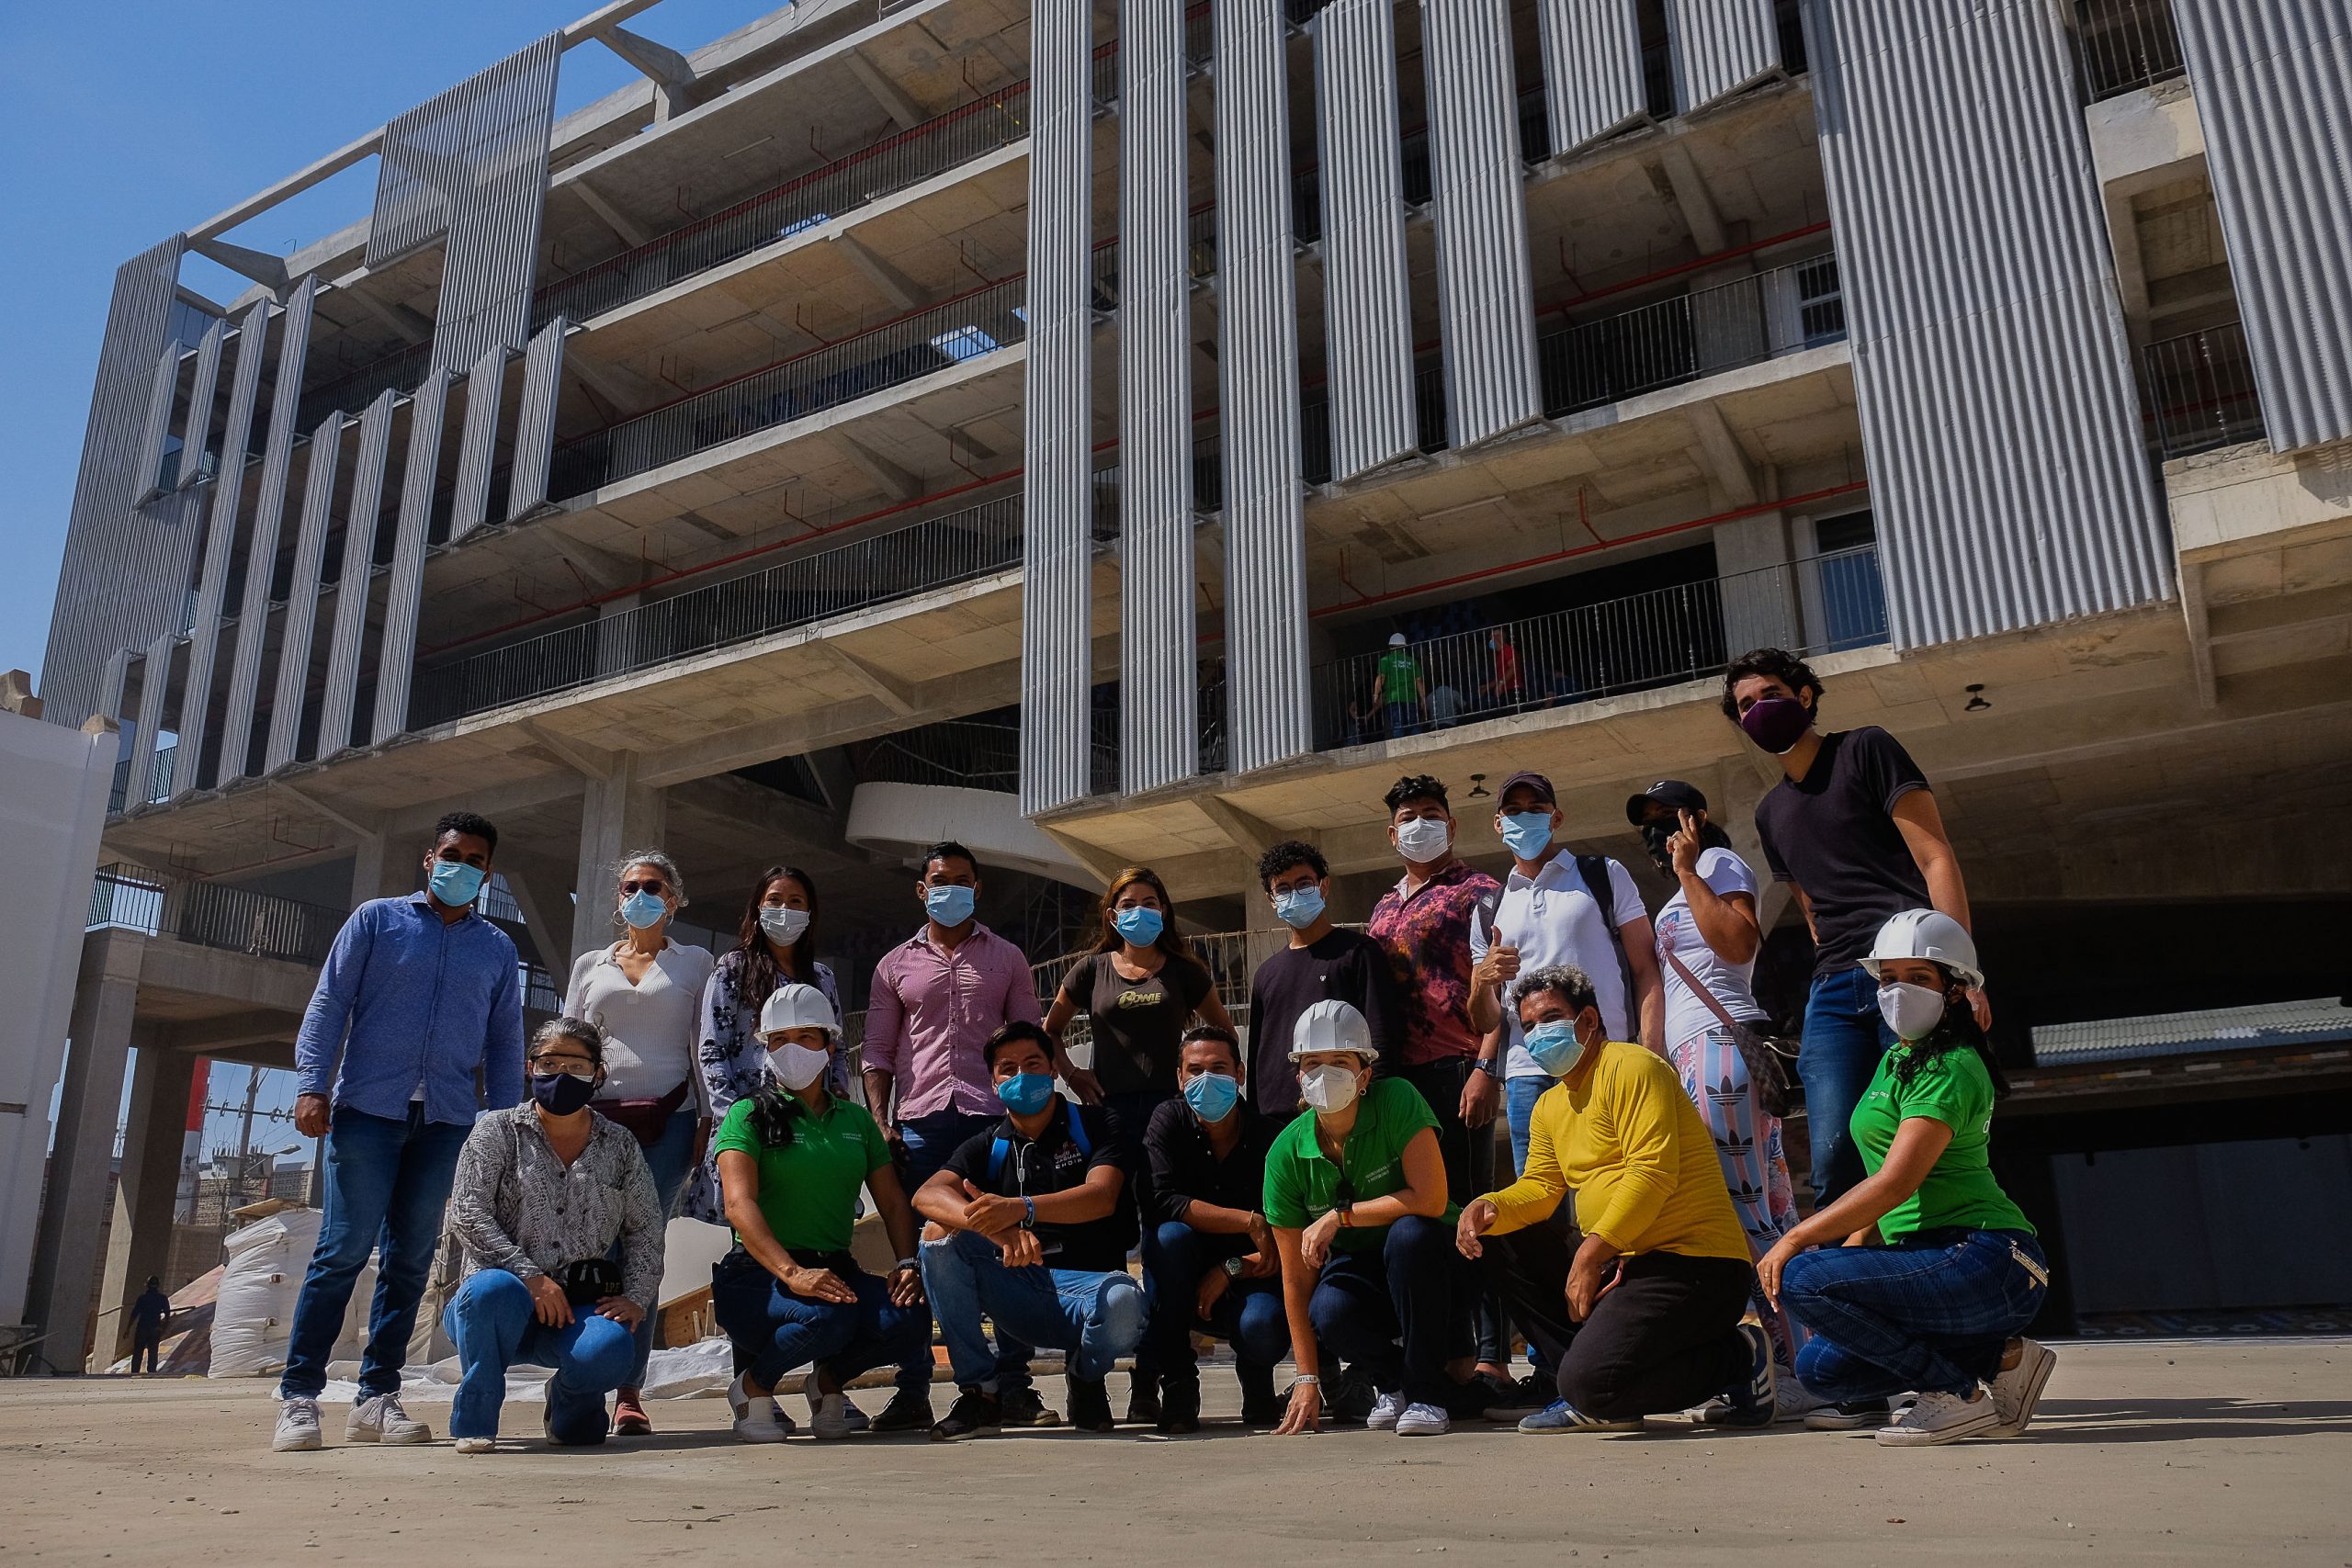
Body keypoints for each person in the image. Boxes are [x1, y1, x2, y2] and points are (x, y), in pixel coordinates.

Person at [274, 811, 525, 1454]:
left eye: (475, 859)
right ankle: (299, 1397)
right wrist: (311, 1083)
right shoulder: (377, 921)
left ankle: (376, 1397)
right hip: (367, 1111)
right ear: (428, 856)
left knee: (412, 1258)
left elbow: (503, 1044)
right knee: (343, 1250)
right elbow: (330, 1002)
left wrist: (504, 1124)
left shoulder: (496, 949)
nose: (461, 865)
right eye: (452, 852)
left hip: (445, 1121)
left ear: (488, 872)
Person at [1758, 911, 2056, 1446]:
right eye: (1889, 978)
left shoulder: (1951, 1065)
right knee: (1823, 1370)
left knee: (1802, 1276)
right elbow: (1883, 1191)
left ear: (1958, 990)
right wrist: (1842, 1258)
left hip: (1989, 1258)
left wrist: (1799, 1239)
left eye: (1918, 978)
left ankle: (1953, 1396)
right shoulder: (1899, 1059)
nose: (1898, 992)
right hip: (1932, 1260)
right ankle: (2003, 1359)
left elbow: (1895, 1184)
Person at [1456, 965, 1774, 1432]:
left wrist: (1590, 1252)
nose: (1539, 1034)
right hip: (1619, 1262)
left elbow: (1652, 1173)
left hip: (1692, 1264)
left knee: (1595, 1386)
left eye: (1550, 1018)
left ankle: (1737, 1357)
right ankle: (1580, 1379)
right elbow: (1542, 1189)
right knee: (1499, 1238)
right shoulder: (1550, 1104)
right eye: (1528, 1026)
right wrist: (1490, 1207)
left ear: (1587, 1021)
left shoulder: (1632, 1066)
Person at [1723, 648, 1984, 1206]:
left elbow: (1935, 856)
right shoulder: (1770, 813)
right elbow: (1813, 912)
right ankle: (1845, 1283)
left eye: (1769, 694)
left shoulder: (1866, 749)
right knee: (1835, 1154)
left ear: (1805, 696)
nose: (1758, 710)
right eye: (1745, 706)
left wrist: (1962, 973)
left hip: (1908, 968)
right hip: (1834, 988)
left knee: (1916, 1135)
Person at [1626, 779, 1810, 1402]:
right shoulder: (1680, 888)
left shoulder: (1716, 864)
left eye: (1664, 816)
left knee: (1748, 1212)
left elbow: (1738, 940)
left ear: (1695, 818)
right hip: (1692, 1055)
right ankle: (1808, 1352)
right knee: (1772, 1208)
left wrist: (1688, 867)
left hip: (1719, 1047)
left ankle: (1800, 1364)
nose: (1655, 830)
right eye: (1644, 822)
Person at [862, 841, 1052, 1424]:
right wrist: (879, 1120)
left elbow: (1029, 1038)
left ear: (978, 887)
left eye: (962, 879)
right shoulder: (893, 965)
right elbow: (877, 1051)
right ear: (922, 890)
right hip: (920, 1126)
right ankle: (917, 1387)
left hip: (994, 1122)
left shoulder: (1008, 958)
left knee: (1009, 1243)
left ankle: (1014, 1387)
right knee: (922, 1254)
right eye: (940, 880)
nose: (951, 889)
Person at [1044, 864, 1235, 1423]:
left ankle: (1162, 1373)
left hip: (1171, 1119)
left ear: (1165, 910)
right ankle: (1089, 1379)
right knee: (1101, 1245)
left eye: (1152, 900)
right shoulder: (1090, 969)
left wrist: (1206, 1086)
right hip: (1108, 1117)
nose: (1142, 910)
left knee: (1163, 1246)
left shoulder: (1185, 971)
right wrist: (1073, 1075)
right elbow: (1049, 1029)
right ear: (1112, 914)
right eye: (1130, 901)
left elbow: (1218, 1034)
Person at [711, 983, 933, 1443]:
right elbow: (738, 1203)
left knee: (909, 1316)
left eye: (806, 1038)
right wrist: (792, 1273)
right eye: (779, 1040)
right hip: (758, 1276)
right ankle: (752, 1388)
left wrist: (908, 1263)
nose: (792, 1049)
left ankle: (827, 1383)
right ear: (766, 1050)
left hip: (833, 1266)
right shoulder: (746, 1115)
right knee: (825, 1319)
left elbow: (892, 1200)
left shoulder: (855, 1122)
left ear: (830, 1045)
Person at [1363, 775, 1521, 1405]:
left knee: (1472, 1213)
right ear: (1392, 830)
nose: (1420, 822)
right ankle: (1445, 1353)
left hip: (1459, 1071)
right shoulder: (1381, 907)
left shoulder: (1481, 891)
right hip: (1399, 1084)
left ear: (1452, 827)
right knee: (1423, 1219)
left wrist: (1488, 1066)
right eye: (1409, 814)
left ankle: (1491, 1358)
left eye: (1433, 813)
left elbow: (1503, 985)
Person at [912, 1023, 1145, 1440]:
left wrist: (1022, 1208)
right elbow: (927, 1195)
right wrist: (997, 1230)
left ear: (1054, 1068)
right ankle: (980, 1392)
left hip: (1087, 1290)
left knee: (1126, 1301)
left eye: (1032, 1063)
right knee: (937, 1234)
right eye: (1008, 1069)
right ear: (994, 1082)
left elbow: (1101, 1196)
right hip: (1018, 1287)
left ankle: (1086, 1377)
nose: (1021, 1076)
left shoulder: (1096, 1124)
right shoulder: (989, 1143)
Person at [443, 1017, 663, 1454]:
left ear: (598, 1074)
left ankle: (568, 1406)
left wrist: (637, 1296)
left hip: (574, 1310)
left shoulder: (619, 1146)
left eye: (576, 1065)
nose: (561, 1074)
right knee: (492, 1289)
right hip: (497, 1306)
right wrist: (530, 1277)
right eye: (549, 1063)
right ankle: (478, 1415)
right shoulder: (496, 1131)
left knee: (611, 1350)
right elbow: (468, 1214)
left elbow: (645, 1229)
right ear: (531, 1068)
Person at [1266, 1000, 1479, 1438]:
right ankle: (1394, 1385)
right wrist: (1307, 1379)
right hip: (1365, 1269)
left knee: (1409, 1236)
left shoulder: (1398, 1098)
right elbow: (1294, 1278)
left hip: (1438, 1260)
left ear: (1365, 1075)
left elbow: (1432, 1199)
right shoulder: (1285, 1153)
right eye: (1313, 1062)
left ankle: (1426, 1396)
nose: (1325, 1073)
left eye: (1340, 1061)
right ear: (1298, 1076)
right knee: (1329, 1307)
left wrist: (1337, 1218)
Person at [561, 848, 716, 1436]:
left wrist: (707, 1117)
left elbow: (704, 1047)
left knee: (641, 1254)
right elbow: (571, 1042)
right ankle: (576, 1380)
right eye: (630, 886)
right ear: (618, 898)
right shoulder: (589, 965)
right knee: (587, 1250)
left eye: (653, 886)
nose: (641, 894)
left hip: (668, 1123)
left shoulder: (695, 963)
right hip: (594, 1125)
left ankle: (629, 1390)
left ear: (673, 900)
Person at [1468, 771, 1664, 1180]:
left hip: (1604, 1058)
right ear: (1497, 823)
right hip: (1527, 1073)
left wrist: (1651, 1050)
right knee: (1539, 1200)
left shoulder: (1604, 875)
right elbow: (1486, 1019)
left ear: (1556, 818)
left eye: (1536, 810)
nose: (1525, 819)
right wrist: (1484, 981)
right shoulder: (1489, 908)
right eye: (1513, 811)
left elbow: (1646, 969)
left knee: (1618, 1183)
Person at [1142, 1025, 1288, 1432]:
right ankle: (1178, 1385)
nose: (1207, 1079)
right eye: (1195, 1070)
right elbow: (1162, 1200)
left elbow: (1282, 1236)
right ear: (1179, 1078)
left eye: (1219, 1068)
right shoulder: (1167, 1122)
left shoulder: (1269, 1137)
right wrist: (1247, 1220)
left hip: (1251, 1273)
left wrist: (1228, 1270)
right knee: (1169, 1237)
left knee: (1261, 1327)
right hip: (1181, 1281)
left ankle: (1258, 1385)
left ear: (1240, 1074)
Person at [1244, 840, 1403, 1119]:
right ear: (1271, 900)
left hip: (1341, 1108)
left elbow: (1382, 1037)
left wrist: (1373, 1105)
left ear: (1324, 886)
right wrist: (1255, 1117)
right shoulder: (1266, 973)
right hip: (1276, 1118)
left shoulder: (1358, 953)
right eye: (1283, 889)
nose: (1294, 894)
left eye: (1304, 883)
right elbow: (1258, 1052)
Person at [1374, 631, 1426, 737]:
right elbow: (1419, 681)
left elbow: (1381, 678)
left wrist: (1376, 694)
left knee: (1397, 725)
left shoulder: (1385, 660)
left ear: (1391, 646)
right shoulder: (1412, 661)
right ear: (1404, 647)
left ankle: (1401, 750)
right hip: (1410, 697)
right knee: (1413, 725)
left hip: (1393, 699)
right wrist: (1423, 698)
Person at [129, 1277, 173, 1375]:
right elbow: (167, 1314)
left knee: (138, 1352)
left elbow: (134, 1314)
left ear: (147, 1285)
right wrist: (163, 1328)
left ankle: (135, 1372)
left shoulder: (142, 1298)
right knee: (153, 1352)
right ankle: (151, 1372)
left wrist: (128, 1329)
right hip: (155, 1329)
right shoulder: (162, 1298)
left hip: (142, 1328)